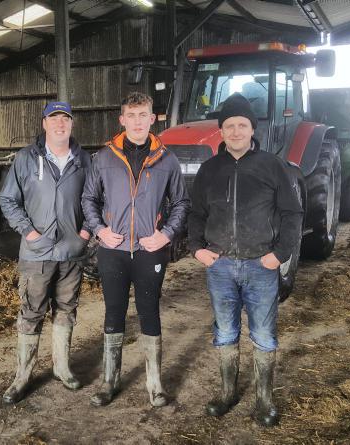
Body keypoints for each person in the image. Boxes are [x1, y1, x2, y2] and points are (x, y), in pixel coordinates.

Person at [187, 93, 303, 426]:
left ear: (252, 129)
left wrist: (279, 255)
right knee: (225, 331)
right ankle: (227, 393)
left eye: (242, 125)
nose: (236, 131)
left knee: (264, 334)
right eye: (229, 126)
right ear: (221, 131)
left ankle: (265, 400)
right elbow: (196, 213)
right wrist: (197, 248)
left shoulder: (272, 166)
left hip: (260, 265)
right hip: (220, 266)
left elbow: (292, 213)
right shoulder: (209, 169)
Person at [82, 92, 190, 407]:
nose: (138, 121)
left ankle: (155, 384)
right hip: (113, 249)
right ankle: (109, 381)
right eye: (132, 115)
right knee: (114, 311)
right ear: (122, 119)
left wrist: (166, 235)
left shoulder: (167, 159)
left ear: (152, 119)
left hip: (149, 249)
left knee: (149, 310)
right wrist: (100, 230)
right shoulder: (104, 158)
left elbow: (181, 202)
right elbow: (88, 198)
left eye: (143, 115)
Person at [0, 101, 92, 404]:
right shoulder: (26, 158)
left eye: (65, 118)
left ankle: (62, 368)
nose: (60, 124)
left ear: (72, 124)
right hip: (36, 253)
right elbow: (8, 199)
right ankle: (23, 376)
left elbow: (95, 199)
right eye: (54, 118)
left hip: (71, 252)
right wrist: (29, 232)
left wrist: (85, 234)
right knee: (31, 311)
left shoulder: (84, 160)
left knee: (66, 308)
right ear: (44, 123)